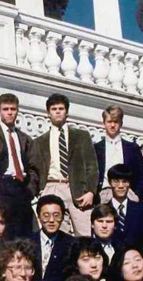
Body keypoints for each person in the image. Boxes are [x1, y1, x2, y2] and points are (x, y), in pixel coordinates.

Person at [27, 94, 98, 236]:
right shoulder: (40, 141)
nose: (58, 111)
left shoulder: (81, 136)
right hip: (51, 186)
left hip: (77, 189)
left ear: (67, 112)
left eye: (61, 108)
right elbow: (34, 169)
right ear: (48, 113)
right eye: (54, 109)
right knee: (57, 235)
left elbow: (92, 165)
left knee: (84, 233)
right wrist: (39, 191)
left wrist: (91, 191)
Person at [0, 93, 33, 238]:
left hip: (21, 188)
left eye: (13, 109)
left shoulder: (25, 138)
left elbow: (33, 167)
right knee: (2, 231)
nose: (9, 112)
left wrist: (30, 189)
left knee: (22, 231)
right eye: (5, 109)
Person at [105, 165, 143, 266]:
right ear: (110, 183)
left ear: (129, 183)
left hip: (138, 264)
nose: (120, 186)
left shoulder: (142, 209)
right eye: (116, 181)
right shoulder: (104, 210)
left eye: (124, 181)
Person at [94, 106, 143, 200]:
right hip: (104, 194)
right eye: (109, 122)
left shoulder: (132, 148)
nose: (113, 125)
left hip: (128, 194)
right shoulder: (96, 148)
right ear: (103, 123)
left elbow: (142, 175)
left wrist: (137, 195)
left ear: (121, 123)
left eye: (116, 122)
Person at [34, 195, 74, 281]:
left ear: (63, 217)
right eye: (46, 215)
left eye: (56, 215)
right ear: (38, 217)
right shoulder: (27, 241)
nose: (51, 220)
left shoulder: (71, 244)